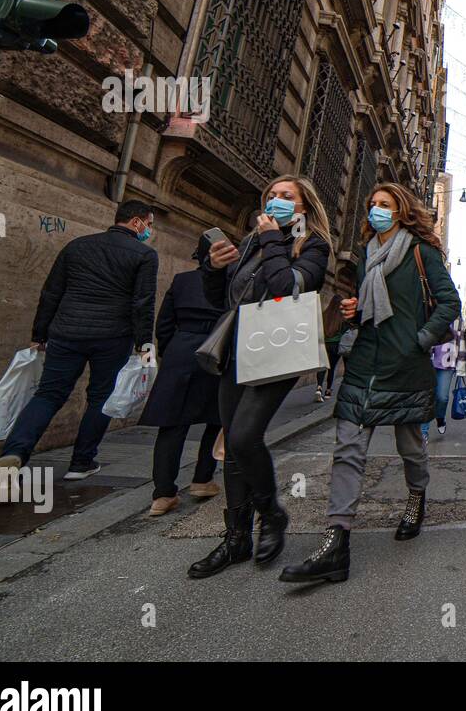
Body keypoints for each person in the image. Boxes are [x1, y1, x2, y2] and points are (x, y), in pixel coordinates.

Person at [280, 182, 460, 584]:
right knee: (348, 449)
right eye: (372, 205)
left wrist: (420, 339)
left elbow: (450, 303)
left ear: (401, 211)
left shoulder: (421, 252)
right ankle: (336, 541)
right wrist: (353, 310)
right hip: (365, 363)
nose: (375, 210)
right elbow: (366, 306)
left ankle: (416, 497)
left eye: (384, 204)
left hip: (406, 366)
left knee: (410, 447)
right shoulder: (365, 257)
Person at [187, 175, 332, 579]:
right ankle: (236, 539)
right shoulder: (251, 241)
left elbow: (287, 288)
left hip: (277, 351)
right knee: (232, 447)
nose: (276, 200)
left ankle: (271, 514)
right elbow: (224, 299)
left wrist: (272, 240)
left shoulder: (312, 245)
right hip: (237, 348)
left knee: (243, 436)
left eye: (287, 197)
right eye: (272, 195)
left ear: (303, 207)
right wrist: (214, 269)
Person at [0, 200, 158, 480]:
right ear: (136, 222)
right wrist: (144, 345)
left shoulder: (77, 246)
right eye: (149, 224)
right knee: (100, 397)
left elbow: (51, 293)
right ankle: (81, 463)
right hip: (112, 336)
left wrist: (39, 334)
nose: (149, 230)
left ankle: (15, 452)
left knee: (48, 394)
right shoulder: (144, 254)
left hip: (67, 332)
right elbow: (142, 303)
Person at [142, 234, 224, 515]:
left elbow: (164, 324)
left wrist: (171, 351)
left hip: (181, 349)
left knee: (172, 424)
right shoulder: (232, 284)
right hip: (217, 350)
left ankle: (163, 494)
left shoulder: (181, 281)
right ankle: (203, 479)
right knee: (216, 419)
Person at [422, 313, 466, 439]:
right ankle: (423, 432)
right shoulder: (428, 310)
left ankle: (440, 417)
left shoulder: (456, 316)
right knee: (427, 397)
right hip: (427, 359)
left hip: (448, 361)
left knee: (442, 397)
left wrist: (461, 365)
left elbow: (461, 339)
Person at [315, 295, 348, 402]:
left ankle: (319, 387)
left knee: (322, 367)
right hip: (336, 345)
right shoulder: (342, 317)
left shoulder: (324, 314)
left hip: (324, 345)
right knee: (332, 368)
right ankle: (328, 391)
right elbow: (345, 331)